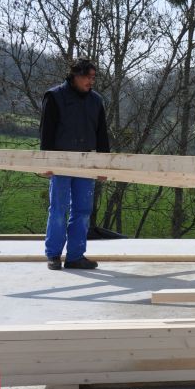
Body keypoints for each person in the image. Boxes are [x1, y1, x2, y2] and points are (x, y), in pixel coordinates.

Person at [40, 58, 110, 271]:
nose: (91, 81)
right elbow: (47, 133)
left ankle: (75, 256)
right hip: (60, 160)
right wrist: (47, 162)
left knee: (82, 210)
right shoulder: (55, 97)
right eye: (87, 77)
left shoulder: (96, 101)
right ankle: (53, 255)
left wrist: (103, 165)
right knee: (59, 209)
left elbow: (102, 136)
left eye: (93, 77)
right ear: (75, 76)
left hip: (86, 162)